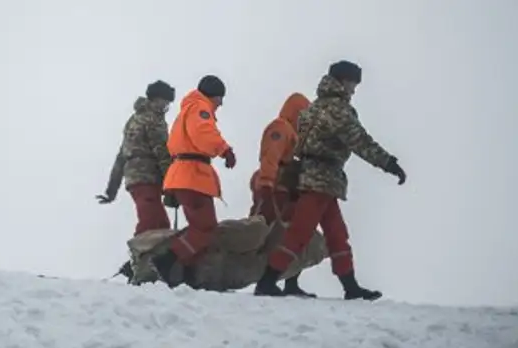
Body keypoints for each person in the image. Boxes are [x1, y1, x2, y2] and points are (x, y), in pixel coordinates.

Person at [254, 60, 407, 300]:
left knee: (337, 233)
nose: (354, 90)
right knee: (300, 233)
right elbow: (360, 141)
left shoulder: (312, 109)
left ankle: (350, 287)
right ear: (343, 81)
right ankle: (267, 280)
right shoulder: (337, 110)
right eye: (353, 83)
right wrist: (389, 163)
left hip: (317, 179)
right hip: (321, 180)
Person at [151, 75, 236, 287]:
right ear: (213, 95)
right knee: (205, 228)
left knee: (199, 228)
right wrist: (224, 150)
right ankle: (166, 260)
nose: (221, 103)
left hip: (183, 175)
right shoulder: (199, 108)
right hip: (193, 176)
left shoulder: (186, 111)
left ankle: (188, 274)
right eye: (220, 98)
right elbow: (203, 133)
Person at [250, 92, 316, 297]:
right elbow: (271, 157)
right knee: (266, 234)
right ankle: (262, 280)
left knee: (291, 235)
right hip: (275, 188)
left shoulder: (295, 135)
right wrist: (267, 185)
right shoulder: (281, 128)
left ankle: (289, 280)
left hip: (287, 190)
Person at [97, 80, 177, 236]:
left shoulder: (134, 120)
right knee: (151, 224)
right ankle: (139, 257)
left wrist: (111, 190)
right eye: (165, 102)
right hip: (147, 177)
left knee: (160, 224)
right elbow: (162, 153)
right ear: (156, 99)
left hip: (135, 180)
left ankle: (146, 257)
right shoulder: (154, 120)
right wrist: (172, 185)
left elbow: (122, 156)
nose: (166, 106)